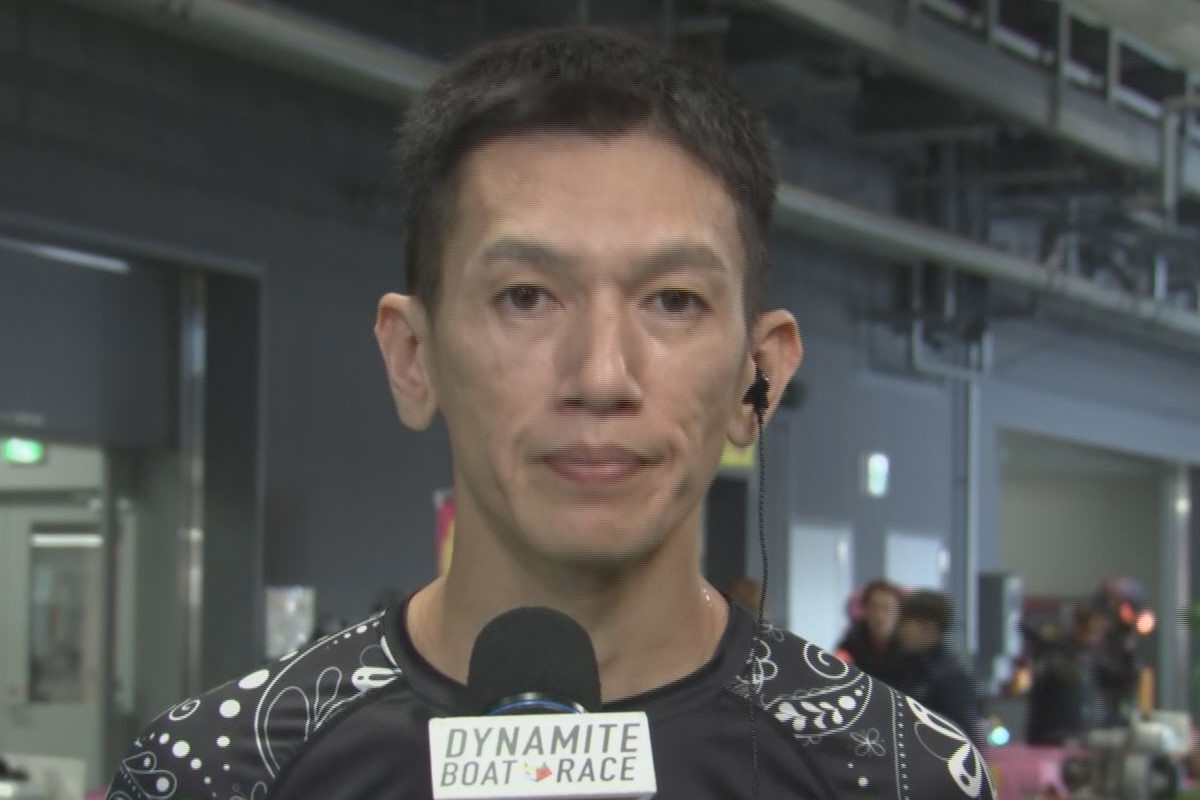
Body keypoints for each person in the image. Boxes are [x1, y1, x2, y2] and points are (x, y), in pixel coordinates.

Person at [105, 26, 993, 800]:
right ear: (413, 358)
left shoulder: (894, 773)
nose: (601, 376)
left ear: (756, 375)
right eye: (526, 296)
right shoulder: (225, 773)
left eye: (674, 300)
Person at [893, 590, 986, 751]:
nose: (900, 631)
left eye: (905, 623)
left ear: (929, 627)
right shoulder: (904, 666)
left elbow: (965, 736)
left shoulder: (950, 676)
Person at [1024, 606, 1109, 745]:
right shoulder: (1056, 653)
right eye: (1092, 629)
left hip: (1082, 733)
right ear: (1079, 627)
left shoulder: (1092, 658)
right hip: (1052, 734)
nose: (1097, 635)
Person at [837, 578, 906, 686]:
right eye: (874, 607)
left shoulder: (913, 647)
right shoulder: (852, 642)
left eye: (886, 608)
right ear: (865, 611)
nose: (880, 616)